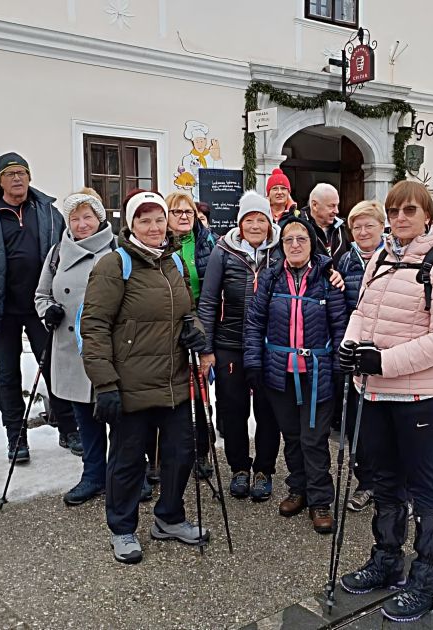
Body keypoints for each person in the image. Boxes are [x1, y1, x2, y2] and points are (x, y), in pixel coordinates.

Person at [338, 181, 433, 623]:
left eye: (409, 211)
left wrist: (382, 362)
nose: (399, 219)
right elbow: (363, 311)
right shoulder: (383, 255)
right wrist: (351, 343)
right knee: (383, 481)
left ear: (428, 216)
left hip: (423, 396)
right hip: (375, 391)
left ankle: (427, 579)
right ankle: (386, 559)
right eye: (394, 211)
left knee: (428, 489)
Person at [80, 189, 209, 564]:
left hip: (174, 381)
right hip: (130, 384)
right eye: (144, 220)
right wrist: (104, 383)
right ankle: (122, 528)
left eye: (158, 219)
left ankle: (169, 518)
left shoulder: (176, 264)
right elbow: (95, 326)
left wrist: (194, 329)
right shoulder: (114, 264)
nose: (153, 227)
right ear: (131, 224)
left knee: (180, 453)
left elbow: (187, 310)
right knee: (127, 460)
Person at [0, 152, 81, 463]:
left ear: (29, 177)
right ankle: (16, 436)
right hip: (3, 311)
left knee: (56, 368)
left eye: (22, 172)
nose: (17, 178)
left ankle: (68, 427)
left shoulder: (50, 214)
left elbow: (68, 258)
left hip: (44, 308)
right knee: (7, 374)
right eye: (10, 173)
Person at [243, 215, 346, 534]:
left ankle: (320, 500)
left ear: (312, 242)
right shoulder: (271, 278)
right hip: (280, 374)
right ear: (281, 244)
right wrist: (253, 362)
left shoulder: (328, 279)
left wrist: (341, 366)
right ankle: (298, 489)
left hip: (317, 374)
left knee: (314, 439)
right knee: (292, 437)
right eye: (288, 239)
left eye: (301, 238)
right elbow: (255, 322)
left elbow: (341, 326)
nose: (295, 245)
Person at [197, 191, 282, 501]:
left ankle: (264, 469)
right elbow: (207, 300)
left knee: (267, 409)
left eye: (261, 219)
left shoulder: (281, 250)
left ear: (270, 223)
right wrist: (207, 347)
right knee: (233, 409)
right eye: (249, 219)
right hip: (230, 343)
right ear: (240, 223)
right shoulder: (224, 250)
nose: (256, 225)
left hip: (269, 346)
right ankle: (239, 468)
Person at [35, 189, 116, 505]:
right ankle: (93, 475)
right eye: (75, 218)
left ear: (99, 218)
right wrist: (48, 310)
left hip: (109, 350)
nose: (82, 224)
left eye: (88, 217)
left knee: (120, 420)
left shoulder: (115, 249)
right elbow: (42, 294)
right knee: (85, 418)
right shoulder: (57, 252)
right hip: (70, 348)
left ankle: (124, 477)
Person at [336, 199, 386, 512]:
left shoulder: (395, 258)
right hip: (355, 354)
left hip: (387, 353)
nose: (363, 231)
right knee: (358, 424)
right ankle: (366, 481)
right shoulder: (345, 261)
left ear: (382, 227)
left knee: (388, 425)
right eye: (357, 227)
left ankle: (395, 485)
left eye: (369, 225)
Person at [164, 191, 218, 480]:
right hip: (169, 323)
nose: (184, 217)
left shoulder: (208, 241)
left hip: (199, 321)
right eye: (177, 212)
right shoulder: (160, 245)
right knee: (173, 389)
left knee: (200, 391)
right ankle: (168, 453)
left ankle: (202, 451)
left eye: (188, 212)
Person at [299, 183, 349, 266]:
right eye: (332, 206)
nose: (337, 211)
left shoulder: (341, 228)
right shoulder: (299, 228)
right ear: (315, 205)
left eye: (337, 205)